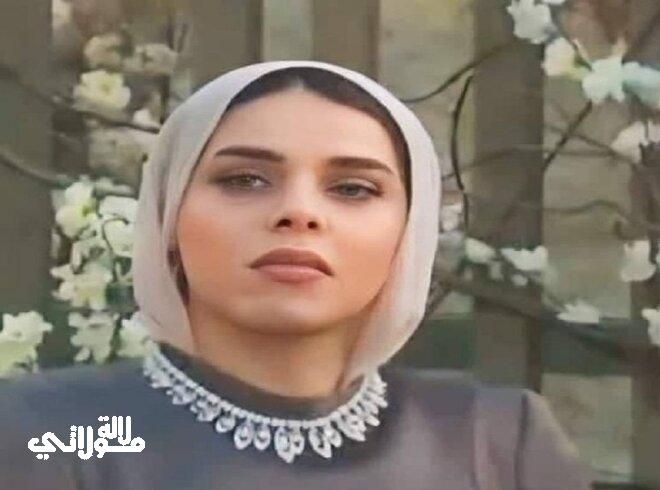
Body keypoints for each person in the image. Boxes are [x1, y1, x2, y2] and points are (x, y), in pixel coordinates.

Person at [0, 60, 593, 489]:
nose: (298, 212)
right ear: (168, 215)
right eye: (244, 180)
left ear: (407, 233)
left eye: (353, 189)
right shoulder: (66, 429)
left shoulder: (492, 440)